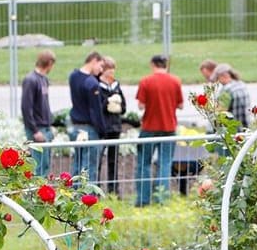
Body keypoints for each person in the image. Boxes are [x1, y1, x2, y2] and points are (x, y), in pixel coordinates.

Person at [134, 54, 184, 206]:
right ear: (166, 65)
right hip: (169, 127)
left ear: (152, 64)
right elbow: (180, 105)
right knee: (165, 164)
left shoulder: (146, 81)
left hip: (149, 127)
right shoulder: (175, 81)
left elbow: (141, 105)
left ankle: (143, 200)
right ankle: (161, 199)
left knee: (144, 163)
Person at [66, 50, 105, 186]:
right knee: (89, 166)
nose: (101, 70)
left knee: (77, 162)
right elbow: (96, 110)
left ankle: (73, 195)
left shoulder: (73, 76)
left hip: (75, 125)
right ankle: (85, 197)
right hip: (89, 128)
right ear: (93, 60)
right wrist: (102, 129)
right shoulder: (91, 83)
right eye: (100, 66)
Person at [95, 57, 127, 195]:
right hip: (103, 127)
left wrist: (118, 104)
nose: (111, 72)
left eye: (113, 69)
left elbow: (124, 107)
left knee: (113, 160)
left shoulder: (116, 85)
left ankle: (113, 188)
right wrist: (107, 102)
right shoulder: (97, 85)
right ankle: (96, 188)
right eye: (108, 69)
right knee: (98, 159)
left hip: (115, 126)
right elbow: (97, 106)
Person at [20, 50, 56, 172]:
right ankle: (37, 190)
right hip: (37, 129)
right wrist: (35, 130)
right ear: (49, 63)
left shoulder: (44, 79)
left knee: (45, 164)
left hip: (45, 127)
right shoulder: (31, 80)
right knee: (38, 166)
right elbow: (26, 107)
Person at [214, 64, 253, 129]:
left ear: (224, 75)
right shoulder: (242, 85)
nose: (218, 81)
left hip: (233, 131)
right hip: (246, 128)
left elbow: (220, 113)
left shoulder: (226, 90)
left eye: (218, 78)